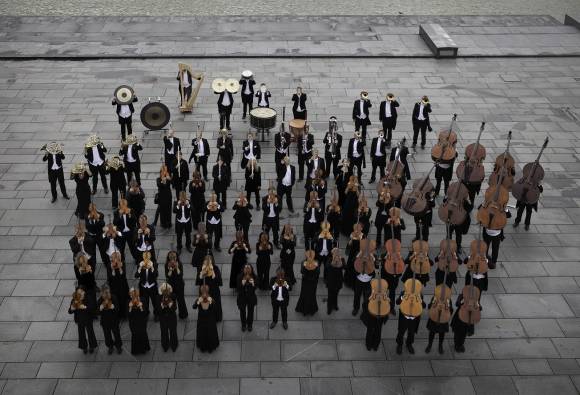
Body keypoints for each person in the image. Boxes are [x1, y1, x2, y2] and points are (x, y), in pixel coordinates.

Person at [395, 287, 425, 355]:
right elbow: (397, 302)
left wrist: (421, 301)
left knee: (411, 332)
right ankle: (399, 344)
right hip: (404, 317)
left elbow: (424, 306)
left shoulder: (419, 294)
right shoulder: (404, 293)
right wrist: (402, 298)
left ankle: (409, 344)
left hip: (414, 318)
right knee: (401, 332)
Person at [69, 287, 98, 354]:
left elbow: (93, 308)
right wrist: (72, 309)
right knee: (81, 333)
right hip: (79, 319)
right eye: (78, 293)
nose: (80, 294)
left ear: (84, 292)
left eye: (81, 292)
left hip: (88, 319)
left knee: (90, 332)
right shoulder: (74, 300)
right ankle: (84, 347)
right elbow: (70, 311)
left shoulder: (88, 298)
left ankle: (92, 346)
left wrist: (85, 307)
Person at [192, 285, 220, 352]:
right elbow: (194, 307)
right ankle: (203, 347)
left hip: (210, 320)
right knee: (202, 334)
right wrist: (198, 302)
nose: (204, 294)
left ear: (208, 292)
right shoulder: (199, 299)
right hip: (201, 320)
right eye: (203, 293)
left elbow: (215, 309)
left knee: (210, 333)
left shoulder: (211, 299)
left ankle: (211, 347)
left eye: (206, 293)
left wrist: (211, 303)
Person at [196, 256, 223, 322]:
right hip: (204, 290)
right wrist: (201, 274)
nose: (207, 262)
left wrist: (213, 272)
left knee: (215, 303)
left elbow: (219, 282)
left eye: (209, 261)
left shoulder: (215, 268)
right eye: (206, 261)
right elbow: (198, 282)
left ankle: (216, 318)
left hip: (214, 290)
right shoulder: (201, 268)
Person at [135, 251, 160, 321]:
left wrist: (152, 268)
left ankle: (156, 314)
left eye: (147, 257)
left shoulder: (154, 264)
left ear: (150, 257)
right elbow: (136, 276)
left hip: (152, 286)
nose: (146, 258)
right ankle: (146, 313)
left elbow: (156, 275)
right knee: (145, 302)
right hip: (143, 287)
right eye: (144, 257)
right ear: (143, 257)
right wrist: (140, 268)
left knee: (155, 301)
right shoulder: (140, 264)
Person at [97, 285, 122, 354]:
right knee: (107, 335)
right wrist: (100, 308)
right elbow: (97, 312)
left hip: (114, 320)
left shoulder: (114, 298)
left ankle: (118, 346)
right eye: (104, 293)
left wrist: (113, 307)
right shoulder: (100, 300)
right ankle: (110, 346)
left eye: (107, 292)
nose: (106, 295)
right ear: (102, 294)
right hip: (105, 322)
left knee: (116, 334)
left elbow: (118, 309)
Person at [295, 250, 320, 316]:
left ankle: (309, 309)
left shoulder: (315, 262)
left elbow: (317, 272)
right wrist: (307, 267)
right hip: (307, 281)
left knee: (310, 294)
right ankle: (306, 309)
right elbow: (302, 271)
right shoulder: (304, 262)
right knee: (306, 294)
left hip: (312, 281)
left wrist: (312, 267)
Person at [165, 250, 188, 319]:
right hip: (171, 285)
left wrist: (177, 267)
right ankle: (172, 313)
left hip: (179, 284)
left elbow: (180, 275)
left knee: (181, 300)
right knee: (172, 300)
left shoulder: (179, 263)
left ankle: (183, 314)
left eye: (174, 258)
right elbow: (167, 276)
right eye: (171, 258)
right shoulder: (167, 264)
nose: (173, 260)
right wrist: (170, 269)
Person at [389, 138, 411, 207]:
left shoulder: (404, 149)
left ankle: (400, 196)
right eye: (398, 144)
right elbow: (391, 159)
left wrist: (403, 145)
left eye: (400, 144)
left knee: (402, 182)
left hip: (401, 168)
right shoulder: (393, 149)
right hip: (394, 168)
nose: (399, 145)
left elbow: (407, 153)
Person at [106, 251, 129, 320]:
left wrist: (120, 268)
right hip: (114, 285)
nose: (116, 260)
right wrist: (113, 270)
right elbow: (110, 277)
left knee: (123, 299)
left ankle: (124, 314)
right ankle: (118, 314)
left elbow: (123, 275)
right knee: (116, 300)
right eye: (114, 258)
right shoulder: (109, 265)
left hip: (122, 285)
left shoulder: (122, 263)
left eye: (118, 258)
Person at [128, 288, 150, 355]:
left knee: (143, 334)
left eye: (135, 296)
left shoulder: (143, 300)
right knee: (135, 335)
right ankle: (136, 350)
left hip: (142, 321)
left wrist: (141, 307)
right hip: (133, 322)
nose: (134, 298)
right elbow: (128, 315)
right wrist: (130, 308)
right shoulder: (128, 301)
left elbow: (146, 313)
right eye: (132, 296)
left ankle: (143, 349)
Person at [114, 199, 137, 263]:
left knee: (132, 247)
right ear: (120, 206)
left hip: (130, 232)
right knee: (121, 248)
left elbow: (135, 221)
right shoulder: (116, 212)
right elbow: (115, 223)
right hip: (122, 233)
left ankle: (136, 258)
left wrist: (130, 215)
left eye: (125, 205)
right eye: (122, 205)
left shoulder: (131, 210)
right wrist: (120, 216)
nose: (124, 207)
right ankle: (122, 259)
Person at [237, 264, 257, 332]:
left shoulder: (254, 276)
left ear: (251, 270)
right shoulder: (240, 277)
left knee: (250, 312)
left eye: (249, 268)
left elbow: (256, 287)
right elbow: (238, 289)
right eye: (246, 268)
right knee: (242, 312)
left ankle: (249, 325)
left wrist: (253, 284)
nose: (247, 270)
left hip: (251, 297)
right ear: (243, 270)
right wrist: (242, 284)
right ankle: (243, 324)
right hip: (242, 297)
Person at [159, 283, 179, 352]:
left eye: (167, 291)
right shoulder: (159, 297)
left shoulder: (173, 296)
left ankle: (174, 345)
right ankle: (165, 345)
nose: (166, 293)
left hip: (172, 317)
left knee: (173, 331)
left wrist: (171, 306)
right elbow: (157, 310)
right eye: (164, 291)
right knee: (164, 332)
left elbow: (175, 308)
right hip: (163, 318)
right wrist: (161, 306)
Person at [344, 223, 363, 289]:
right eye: (356, 228)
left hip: (358, 255)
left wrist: (359, 238)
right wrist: (352, 239)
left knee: (356, 268)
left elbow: (363, 246)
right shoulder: (352, 235)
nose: (357, 229)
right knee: (350, 267)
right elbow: (349, 245)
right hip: (352, 254)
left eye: (359, 228)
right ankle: (348, 282)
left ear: (361, 228)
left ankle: (354, 284)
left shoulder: (363, 236)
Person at [154, 164, 173, 229]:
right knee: (162, 211)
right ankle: (163, 223)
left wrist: (169, 178)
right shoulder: (158, 179)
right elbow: (159, 185)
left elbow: (171, 183)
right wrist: (163, 180)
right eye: (163, 172)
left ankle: (169, 222)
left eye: (165, 171)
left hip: (168, 196)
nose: (165, 173)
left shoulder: (168, 177)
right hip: (161, 197)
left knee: (168, 210)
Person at [326, 247, 344, 315]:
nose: (336, 255)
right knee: (330, 295)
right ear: (332, 254)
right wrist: (333, 261)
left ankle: (335, 305)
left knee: (336, 294)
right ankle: (329, 308)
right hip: (331, 281)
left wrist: (340, 261)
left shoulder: (342, 259)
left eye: (337, 254)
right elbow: (327, 267)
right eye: (335, 253)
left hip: (338, 281)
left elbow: (344, 267)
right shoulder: (330, 259)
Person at [280, 224, 297, 289]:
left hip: (291, 254)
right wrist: (285, 237)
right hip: (284, 254)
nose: (288, 230)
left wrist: (291, 239)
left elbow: (294, 245)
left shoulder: (294, 236)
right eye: (287, 229)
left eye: (289, 229)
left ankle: (291, 281)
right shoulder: (282, 236)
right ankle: (284, 280)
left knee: (290, 267)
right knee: (284, 267)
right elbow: (282, 243)